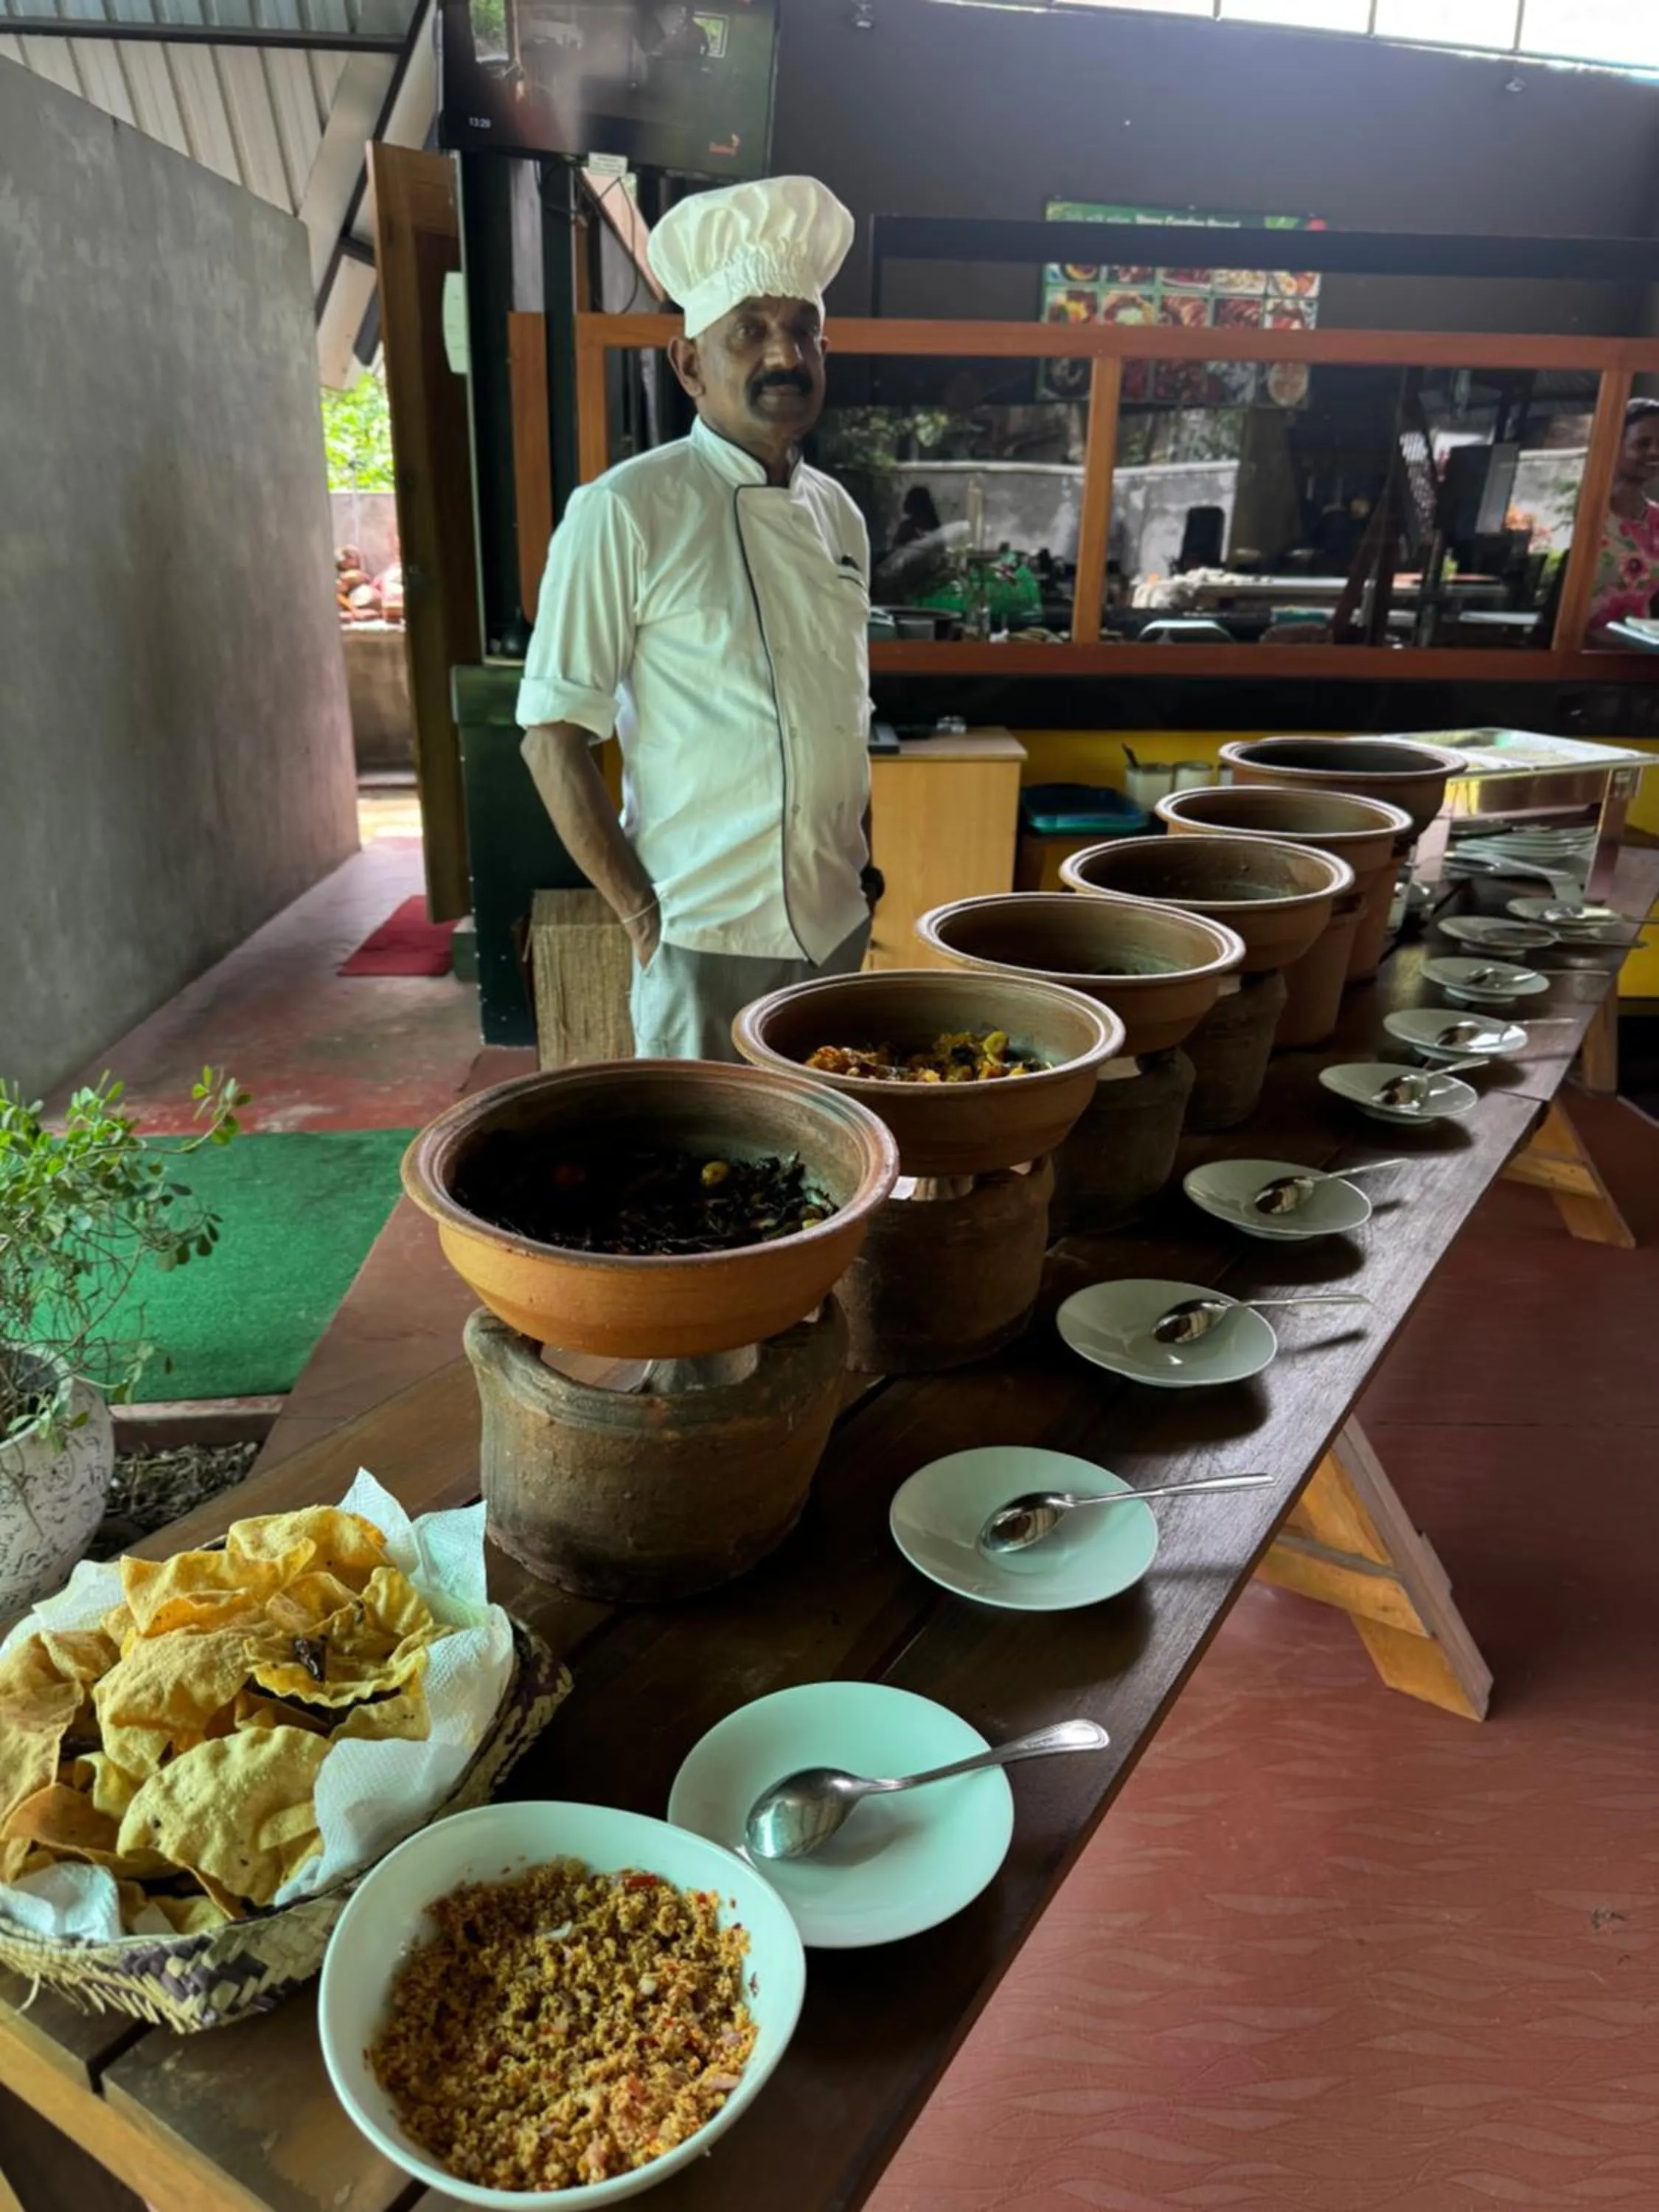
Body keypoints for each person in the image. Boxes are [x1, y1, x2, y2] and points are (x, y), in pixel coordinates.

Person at [517, 175, 880, 1060]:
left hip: (835, 932)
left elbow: (846, 713)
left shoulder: (839, 515)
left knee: (831, 1170)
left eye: (802, 331)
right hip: (703, 937)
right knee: (700, 1184)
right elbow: (551, 737)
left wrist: (865, 874)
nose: (782, 356)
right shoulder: (626, 510)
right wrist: (645, 920)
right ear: (689, 364)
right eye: (749, 332)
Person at [1587, 396, 1659, 644]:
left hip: (1634, 664)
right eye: (1643, 443)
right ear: (1615, 445)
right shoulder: (1586, 513)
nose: (1654, 452)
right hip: (1572, 659)